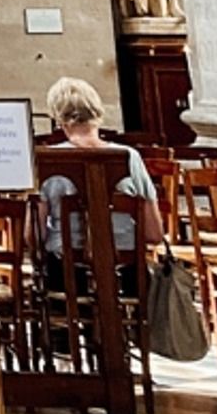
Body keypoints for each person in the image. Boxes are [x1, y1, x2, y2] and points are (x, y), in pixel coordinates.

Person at [38, 77, 163, 297]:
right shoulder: (129, 157)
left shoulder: (50, 161)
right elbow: (154, 232)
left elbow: (34, 235)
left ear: (59, 118)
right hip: (126, 272)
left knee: (50, 265)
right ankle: (134, 330)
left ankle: (65, 330)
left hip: (67, 272)